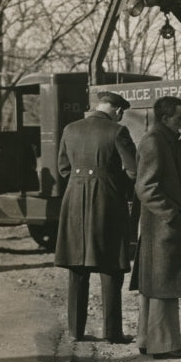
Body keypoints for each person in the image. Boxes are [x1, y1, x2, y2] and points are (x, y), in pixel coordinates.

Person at [54, 91, 136, 344]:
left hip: (74, 201)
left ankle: (75, 331)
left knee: (77, 266)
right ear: (118, 111)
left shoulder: (70, 129)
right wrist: (113, 184)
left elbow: (63, 167)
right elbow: (133, 170)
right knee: (110, 266)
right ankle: (112, 332)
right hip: (107, 203)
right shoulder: (118, 131)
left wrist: (82, 184)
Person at [130, 95, 181, 359]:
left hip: (158, 226)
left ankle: (148, 340)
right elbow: (145, 187)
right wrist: (172, 215)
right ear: (166, 118)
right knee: (164, 284)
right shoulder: (155, 142)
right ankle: (165, 346)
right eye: (179, 118)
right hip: (162, 227)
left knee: (154, 284)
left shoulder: (160, 140)